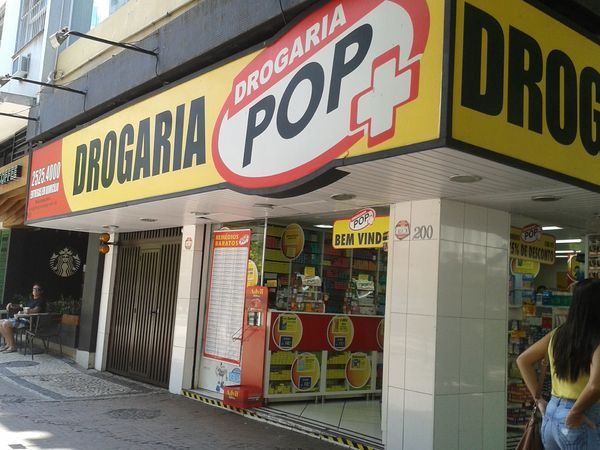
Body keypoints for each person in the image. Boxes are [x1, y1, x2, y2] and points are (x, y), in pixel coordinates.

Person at [517, 278, 600, 449]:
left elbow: (523, 360)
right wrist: (575, 413)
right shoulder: (596, 339)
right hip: (581, 415)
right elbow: (595, 386)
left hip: (552, 415)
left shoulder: (557, 334)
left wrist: (539, 399)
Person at [0, 283, 46, 353]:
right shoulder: (31, 300)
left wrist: (24, 312)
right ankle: (8, 344)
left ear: (41, 291)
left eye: (38, 289)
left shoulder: (41, 301)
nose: (35, 290)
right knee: (0, 322)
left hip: (29, 322)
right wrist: (11, 305)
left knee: (5, 324)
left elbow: (36, 310)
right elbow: (21, 306)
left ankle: (12, 346)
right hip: (22, 319)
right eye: (34, 289)